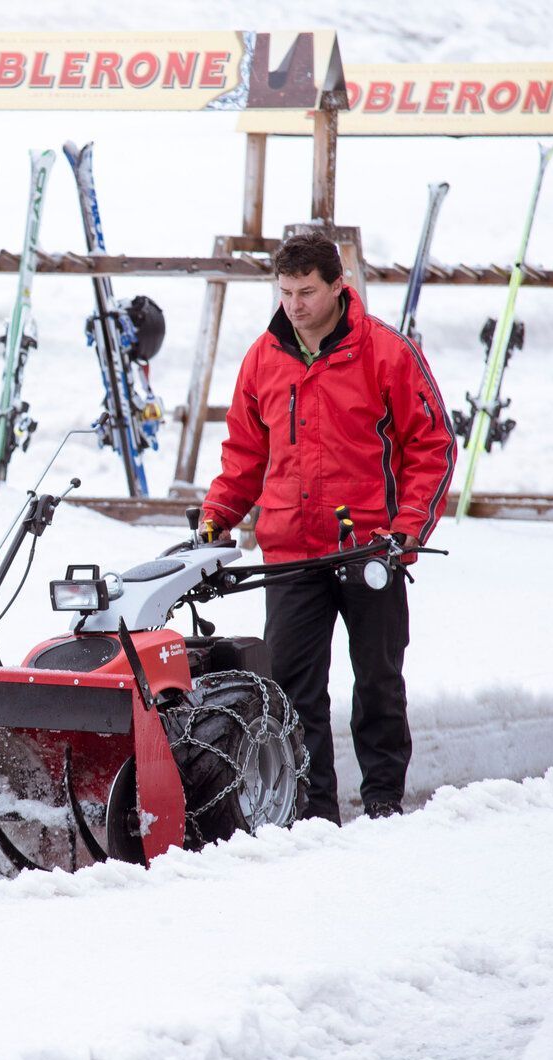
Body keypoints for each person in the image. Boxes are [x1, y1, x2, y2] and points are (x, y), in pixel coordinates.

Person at [200, 232, 456, 824]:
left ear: (339, 286)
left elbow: (433, 447)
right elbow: (244, 455)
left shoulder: (386, 353)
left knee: (379, 682)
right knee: (293, 692)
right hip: (291, 551)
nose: (294, 304)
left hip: (370, 551)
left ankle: (384, 799)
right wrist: (218, 518)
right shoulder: (262, 358)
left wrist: (406, 530)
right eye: (285, 291)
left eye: (307, 291)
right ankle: (313, 814)